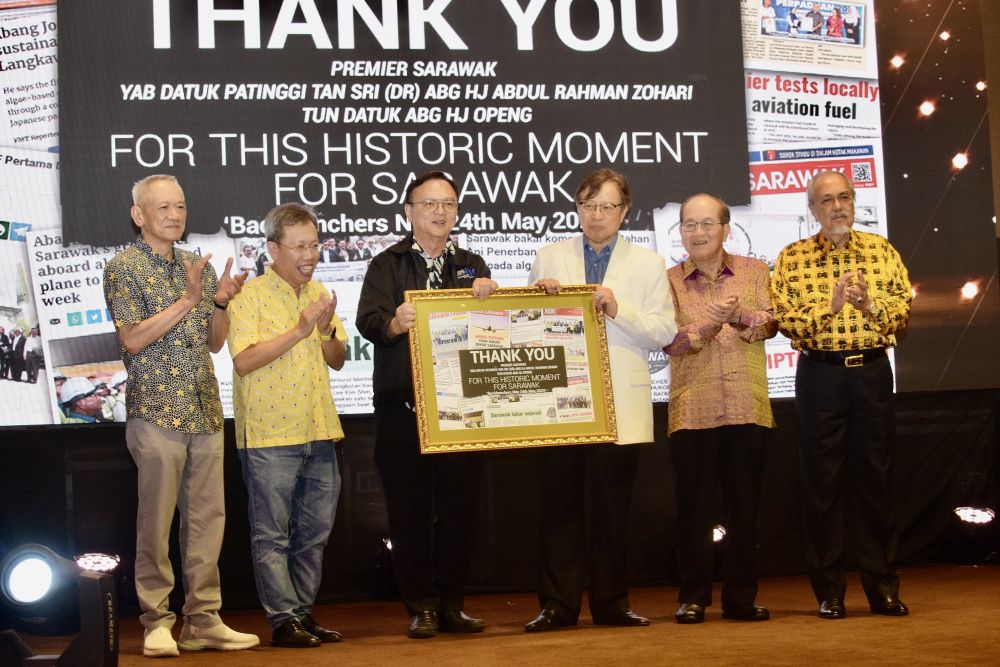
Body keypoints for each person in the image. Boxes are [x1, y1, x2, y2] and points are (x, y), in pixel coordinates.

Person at [103, 174, 258, 657]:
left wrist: (218, 302)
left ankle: (203, 620)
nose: (175, 214)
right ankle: (156, 620)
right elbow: (131, 339)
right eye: (164, 207)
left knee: (209, 519)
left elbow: (214, 342)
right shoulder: (122, 267)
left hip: (204, 407)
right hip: (156, 411)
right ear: (139, 215)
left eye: (181, 206)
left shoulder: (199, 264)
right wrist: (189, 300)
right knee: (156, 521)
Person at [523, 168, 676, 632]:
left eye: (606, 206)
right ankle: (556, 605)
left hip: (620, 407)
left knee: (611, 512)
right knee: (559, 510)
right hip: (560, 402)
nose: (596, 216)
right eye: (587, 206)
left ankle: (611, 604)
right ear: (577, 208)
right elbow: (526, 327)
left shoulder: (648, 263)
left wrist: (617, 307)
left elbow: (664, 332)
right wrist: (536, 299)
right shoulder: (549, 256)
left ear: (624, 210)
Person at [356, 171, 498, 639]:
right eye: (430, 203)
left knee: (460, 511)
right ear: (409, 211)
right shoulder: (387, 265)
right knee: (409, 511)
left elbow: (492, 334)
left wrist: (490, 302)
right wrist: (395, 322)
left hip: (464, 407)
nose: (441, 211)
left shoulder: (473, 264)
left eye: (449, 204)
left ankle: (453, 603)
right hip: (403, 409)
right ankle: (420, 606)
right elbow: (368, 323)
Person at [772, 170, 912, 620]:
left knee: (877, 481)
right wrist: (830, 306)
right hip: (821, 376)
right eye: (827, 200)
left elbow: (901, 312)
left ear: (854, 202)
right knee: (822, 485)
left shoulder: (880, 250)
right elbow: (786, 322)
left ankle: (882, 588)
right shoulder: (793, 257)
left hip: (871, 372)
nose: (838, 207)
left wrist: (869, 303)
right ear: (812, 209)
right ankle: (829, 592)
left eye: (844, 197)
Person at [228, 203, 349, 648]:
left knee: (314, 534)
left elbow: (338, 360)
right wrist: (299, 330)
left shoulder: (319, 293)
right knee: (272, 535)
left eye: (314, 244)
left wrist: (323, 331)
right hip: (269, 435)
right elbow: (243, 362)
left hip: (319, 430)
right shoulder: (249, 295)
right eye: (299, 246)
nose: (310, 254)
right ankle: (282, 621)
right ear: (273, 249)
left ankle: (301, 613)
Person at [663, 194, 778, 625]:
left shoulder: (754, 270)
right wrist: (709, 324)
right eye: (689, 225)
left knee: (744, 508)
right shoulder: (669, 279)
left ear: (726, 229)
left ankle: (741, 599)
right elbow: (668, 341)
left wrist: (740, 315)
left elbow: (771, 323)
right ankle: (692, 597)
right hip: (692, 408)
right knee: (693, 509)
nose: (697, 233)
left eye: (706, 224)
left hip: (747, 406)